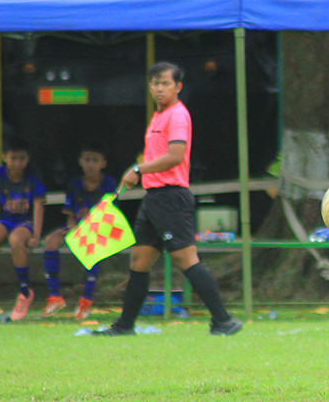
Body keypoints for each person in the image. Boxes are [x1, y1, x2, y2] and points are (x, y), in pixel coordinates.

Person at [94, 62, 241, 336]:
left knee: (187, 260)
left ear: (178, 87)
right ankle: (124, 326)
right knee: (139, 261)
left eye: (165, 83)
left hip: (171, 197)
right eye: (155, 83)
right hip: (154, 198)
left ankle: (224, 320)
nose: (159, 89)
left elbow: (175, 156)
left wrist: (138, 169)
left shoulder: (177, 116)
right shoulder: (158, 116)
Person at [0, 135, 45, 321]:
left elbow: (38, 204)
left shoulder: (33, 175)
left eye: (22, 158)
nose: (18, 163)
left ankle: (24, 291)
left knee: (15, 240)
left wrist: (36, 235)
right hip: (4, 219)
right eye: (13, 158)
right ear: (4, 157)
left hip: (25, 221)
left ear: (28, 159)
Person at [41, 143, 117, 320]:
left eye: (95, 160)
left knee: (93, 248)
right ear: (80, 162)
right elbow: (70, 213)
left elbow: (111, 214)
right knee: (51, 240)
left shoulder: (109, 184)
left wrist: (92, 229)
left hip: (100, 229)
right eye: (87, 160)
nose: (91, 164)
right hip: (78, 227)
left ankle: (86, 301)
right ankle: (55, 297)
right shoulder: (75, 183)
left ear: (103, 163)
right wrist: (73, 228)